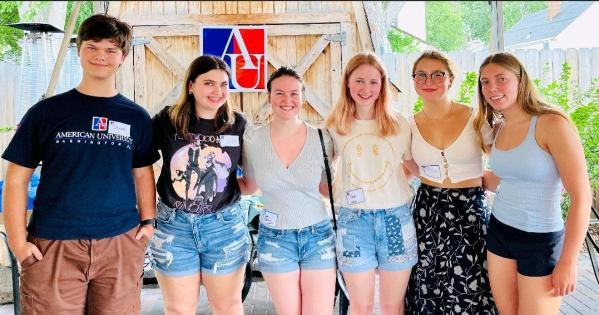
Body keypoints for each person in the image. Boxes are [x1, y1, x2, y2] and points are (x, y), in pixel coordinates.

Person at [1, 14, 158, 314]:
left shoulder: (136, 116)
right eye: (92, 46)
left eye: (111, 49)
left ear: (123, 57)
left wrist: (148, 222)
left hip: (119, 244)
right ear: (79, 49)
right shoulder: (46, 112)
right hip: (54, 244)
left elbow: (143, 173)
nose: (101, 55)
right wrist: (18, 242)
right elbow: (17, 178)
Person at [477, 52, 591, 315]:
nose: (492, 88)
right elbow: (509, 180)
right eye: (485, 82)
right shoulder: (499, 126)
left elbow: (581, 198)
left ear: (520, 80)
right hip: (500, 231)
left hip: (540, 241)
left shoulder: (552, 123)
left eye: (501, 79)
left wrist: (568, 262)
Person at [150, 55, 250, 315]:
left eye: (224, 84)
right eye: (208, 83)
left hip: (223, 227)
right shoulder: (167, 119)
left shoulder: (237, 124)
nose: (217, 91)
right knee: (179, 309)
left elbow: (253, 175)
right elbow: (140, 163)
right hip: (175, 227)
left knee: (227, 306)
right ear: (191, 85)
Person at [237, 67, 337, 314]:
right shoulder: (252, 140)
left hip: (318, 236)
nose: (287, 100)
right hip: (275, 238)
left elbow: (327, 190)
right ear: (269, 96)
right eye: (279, 93)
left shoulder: (323, 138)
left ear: (303, 96)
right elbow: (249, 186)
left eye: (294, 93)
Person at [405, 50, 498, 314]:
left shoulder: (476, 118)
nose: (429, 80)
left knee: (473, 283)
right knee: (428, 284)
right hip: (427, 211)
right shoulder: (408, 125)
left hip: (469, 210)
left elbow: (504, 160)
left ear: (451, 79)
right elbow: (409, 165)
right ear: (414, 81)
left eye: (437, 74)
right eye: (421, 75)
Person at [325, 52, 417, 315]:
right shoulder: (336, 124)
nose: (367, 89)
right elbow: (323, 170)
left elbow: (411, 167)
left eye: (374, 82)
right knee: (361, 305)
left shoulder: (399, 124)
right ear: (347, 83)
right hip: (353, 223)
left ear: (383, 84)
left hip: (395, 221)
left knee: (392, 305)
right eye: (360, 81)